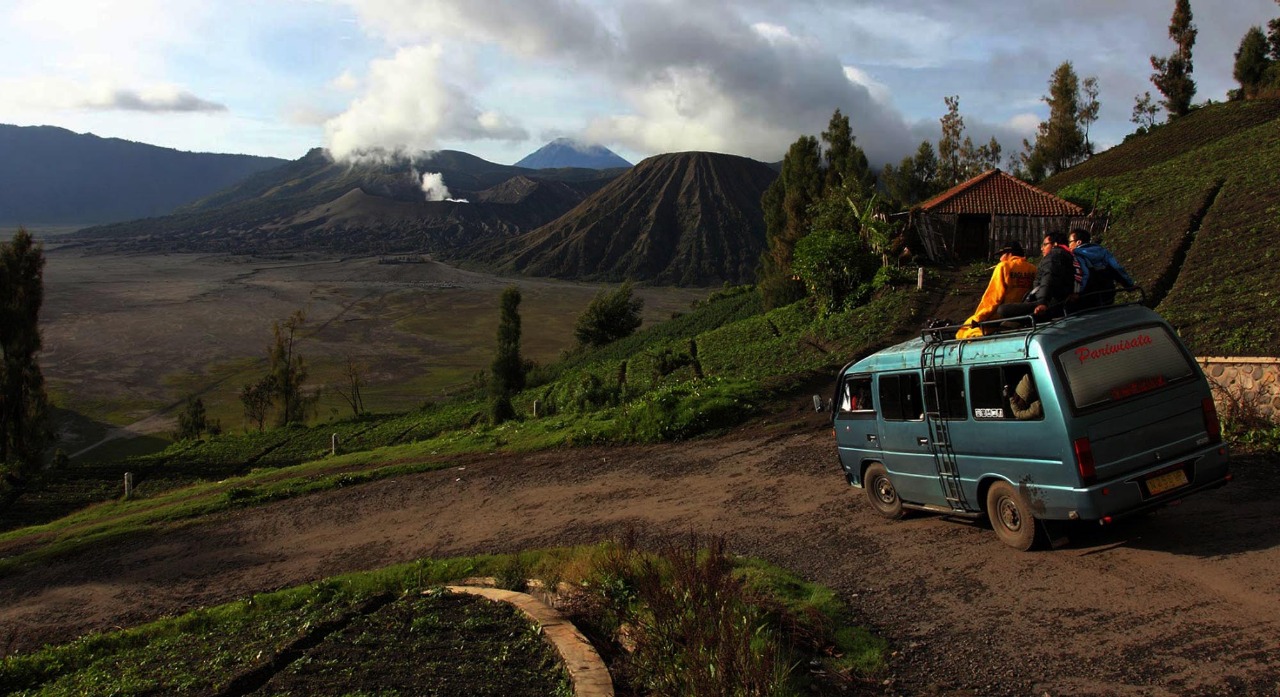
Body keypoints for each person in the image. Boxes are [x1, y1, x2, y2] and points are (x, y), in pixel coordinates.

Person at [955, 240, 1037, 339]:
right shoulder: (1032, 269)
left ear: (1009, 253)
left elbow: (994, 297)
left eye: (1001, 255)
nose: (1000, 259)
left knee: (964, 331)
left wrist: (979, 317)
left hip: (1000, 315)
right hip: (1021, 313)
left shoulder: (1004, 267)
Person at [996, 232, 1078, 321]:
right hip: (1061, 300)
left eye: (1045, 244)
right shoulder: (1069, 255)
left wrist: (1042, 302)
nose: (1042, 248)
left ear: (1055, 244)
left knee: (1002, 310)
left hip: (1050, 302)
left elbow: (1048, 279)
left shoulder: (1053, 256)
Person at [1068, 228, 1135, 308]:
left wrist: (1077, 292)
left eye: (1070, 242)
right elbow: (1117, 268)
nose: (1069, 245)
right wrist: (1128, 284)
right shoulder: (1102, 251)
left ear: (1078, 242)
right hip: (1108, 291)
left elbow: (1084, 274)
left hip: (1089, 295)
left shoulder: (1077, 255)